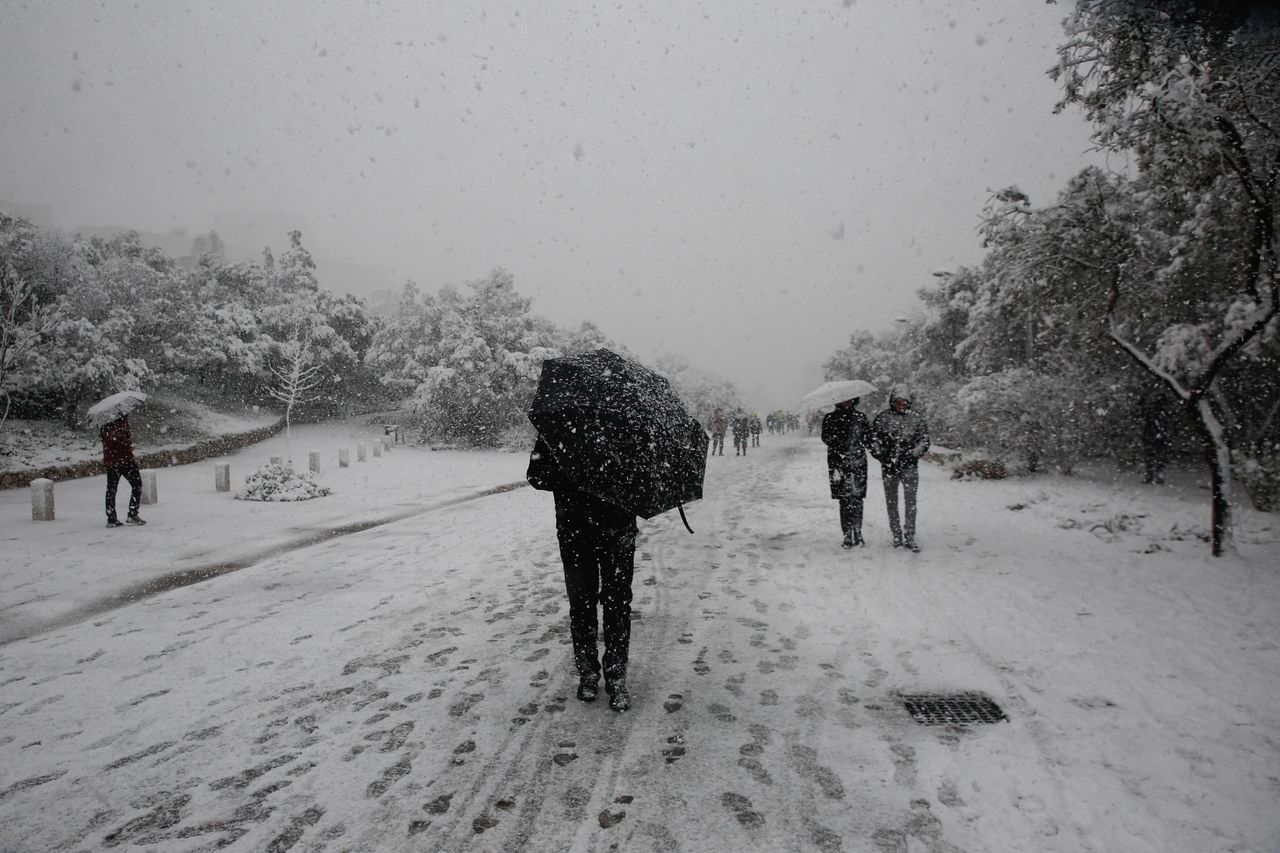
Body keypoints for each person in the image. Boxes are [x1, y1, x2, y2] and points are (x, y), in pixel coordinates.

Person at [527, 435, 638, 712]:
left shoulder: (627, 430)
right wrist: (567, 473)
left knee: (617, 604)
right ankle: (588, 672)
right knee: (582, 603)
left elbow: (642, 481)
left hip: (616, 531)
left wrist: (616, 474)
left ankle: (615, 676)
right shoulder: (561, 428)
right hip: (577, 531)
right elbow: (536, 476)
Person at [869, 389, 930, 551]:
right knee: (891, 502)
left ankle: (910, 534)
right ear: (892, 402)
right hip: (889, 468)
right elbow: (873, 440)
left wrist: (912, 455)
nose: (901, 406)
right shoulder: (883, 418)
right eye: (898, 402)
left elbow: (924, 441)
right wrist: (883, 456)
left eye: (905, 403)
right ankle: (896, 534)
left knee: (910, 502)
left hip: (909, 467)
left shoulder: (916, 419)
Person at [821, 398, 871, 548]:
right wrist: (840, 439)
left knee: (857, 498)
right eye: (844, 399)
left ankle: (857, 529)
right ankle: (847, 532)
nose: (847, 402)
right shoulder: (830, 418)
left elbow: (868, 437)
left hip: (858, 462)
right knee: (844, 499)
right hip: (838, 463)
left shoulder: (860, 418)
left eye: (850, 399)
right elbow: (826, 438)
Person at [101, 414, 146, 528]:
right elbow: (121, 442)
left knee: (111, 489)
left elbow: (108, 442)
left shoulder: (105, 424)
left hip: (112, 461)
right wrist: (128, 443)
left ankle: (111, 517)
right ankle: (132, 513)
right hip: (124, 460)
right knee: (136, 485)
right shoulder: (120, 422)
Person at [1139, 389, 1175, 485]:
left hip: (1153, 435)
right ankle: (1157, 475)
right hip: (1158, 436)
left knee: (1151, 456)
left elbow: (1145, 418)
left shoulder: (1152, 413)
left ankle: (1151, 475)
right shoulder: (1163, 413)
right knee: (1158, 457)